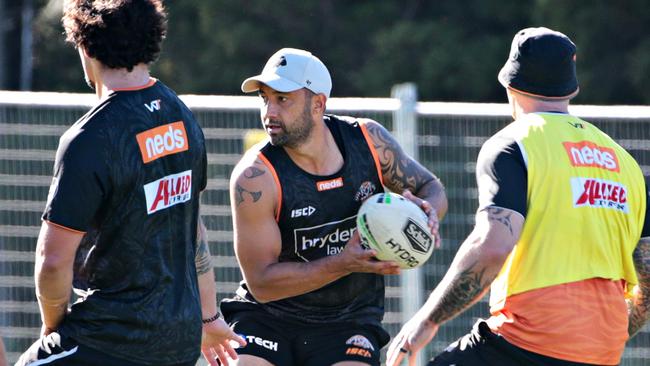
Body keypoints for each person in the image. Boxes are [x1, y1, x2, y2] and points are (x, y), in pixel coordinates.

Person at [387, 27, 650, 366]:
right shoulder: (623, 161)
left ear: (509, 86)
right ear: (572, 88)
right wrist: (600, 338)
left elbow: (493, 244)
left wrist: (426, 320)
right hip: (603, 350)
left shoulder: (514, 144)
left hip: (526, 344)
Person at [16, 1, 244, 365]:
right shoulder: (180, 115)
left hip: (110, 340)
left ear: (85, 46)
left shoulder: (89, 138)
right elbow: (192, 231)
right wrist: (208, 317)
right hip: (179, 340)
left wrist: (53, 330)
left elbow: (53, 261)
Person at [222, 47, 448, 366]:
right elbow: (261, 284)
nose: (269, 112)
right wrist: (342, 262)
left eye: (283, 99)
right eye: (265, 98)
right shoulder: (255, 178)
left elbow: (431, 188)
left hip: (348, 320)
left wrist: (426, 212)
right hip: (269, 318)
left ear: (318, 104)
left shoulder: (368, 142)